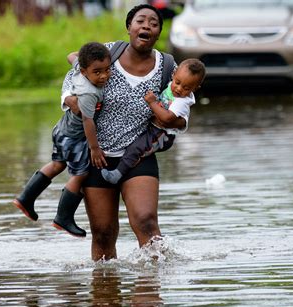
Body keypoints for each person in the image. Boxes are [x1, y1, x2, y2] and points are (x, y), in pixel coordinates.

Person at [61, 4, 187, 261]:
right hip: (97, 155)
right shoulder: (107, 52)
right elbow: (73, 76)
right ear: (129, 27)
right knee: (103, 233)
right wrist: (70, 100)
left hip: (138, 155)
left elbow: (184, 100)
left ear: (158, 34)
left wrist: (177, 120)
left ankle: (152, 291)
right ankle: (105, 294)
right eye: (140, 21)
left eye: (153, 23)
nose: (146, 26)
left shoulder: (168, 67)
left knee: (146, 222)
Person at [12, 42, 111, 238]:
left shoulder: (79, 68)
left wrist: (81, 59)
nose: (103, 76)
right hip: (75, 137)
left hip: (61, 130)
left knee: (57, 164)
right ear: (84, 72)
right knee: (80, 174)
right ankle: (63, 217)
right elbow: (87, 120)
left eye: (107, 70)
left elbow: (70, 55)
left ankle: (26, 198)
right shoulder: (89, 92)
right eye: (97, 72)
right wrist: (94, 148)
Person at [101, 58, 206, 184]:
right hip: (154, 129)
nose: (178, 89)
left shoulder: (182, 101)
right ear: (174, 74)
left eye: (186, 88)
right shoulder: (171, 86)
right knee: (135, 145)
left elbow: (167, 118)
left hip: (162, 134)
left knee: (137, 148)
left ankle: (117, 174)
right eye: (177, 82)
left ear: (195, 88)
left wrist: (152, 103)